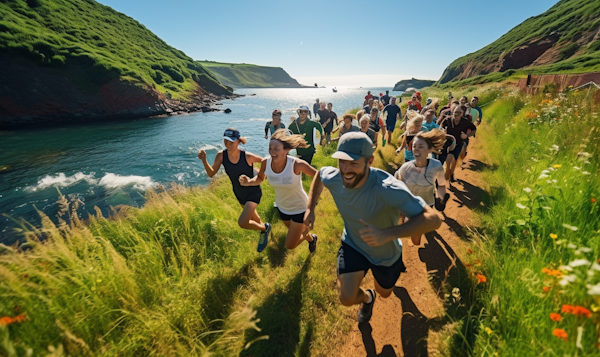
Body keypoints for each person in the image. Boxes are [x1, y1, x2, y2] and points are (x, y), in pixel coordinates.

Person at [304, 132, 441, 325]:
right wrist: (310, 209)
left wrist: (387, 234)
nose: (345, 169)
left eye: (353, 163)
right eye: (341, 161)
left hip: (386, 253)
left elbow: (433, 219)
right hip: (353, 244)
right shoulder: (335, 176)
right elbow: (320, 174)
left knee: (385, 293)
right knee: (346, 297)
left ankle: (377, 293)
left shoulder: (387, 188)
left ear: (370, 161)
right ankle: (368, 298)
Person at [239, 130, 318, 252]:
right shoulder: (266, 162)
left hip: (300, 208)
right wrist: (249, 182)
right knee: (298, 232)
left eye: (276, 148)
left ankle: (307, 232)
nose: (272, 152)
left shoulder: (296, 164)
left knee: (290, 244)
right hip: (283, 208)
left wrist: (313, 201)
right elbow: (260, 178)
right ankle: (312, 239)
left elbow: (319, 177)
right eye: (270, 148)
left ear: (286, 150)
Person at [198, 128, 271, 252]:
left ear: (238, 141)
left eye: (231, 142)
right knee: (255, 219)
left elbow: (265, 161)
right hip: (239, 194)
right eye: (226, 142)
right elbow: (211, 174)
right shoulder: (221, 155)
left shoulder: (247, 156)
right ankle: (264, 234)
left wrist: (259, 174)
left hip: (253, 192)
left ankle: (265, 229)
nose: (228, 145)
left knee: (243, 222)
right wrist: (204, 160)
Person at [395, 129, 449, 210]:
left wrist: (441, 199)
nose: (416, 149)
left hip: (427, 206)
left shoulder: (436, 165)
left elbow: (441, 185)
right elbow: (397, 186)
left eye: (420, 146)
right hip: (409, 206)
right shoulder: (405, 168)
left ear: (429, 149)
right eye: (414, 146)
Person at [439, 105, 477, 182]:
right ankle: (445, 173)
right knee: (446, 160)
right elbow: (440, 127)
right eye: (455, 112)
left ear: (462, 113)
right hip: (448, 143)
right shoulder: (448, 120)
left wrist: (466, 136)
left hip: (458, 144)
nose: (457, 114)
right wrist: (442, 131)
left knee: (454, 160)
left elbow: (474, 129)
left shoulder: (466, 122)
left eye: (459, 112)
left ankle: (451, 174)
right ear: (452, 112)